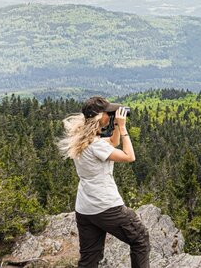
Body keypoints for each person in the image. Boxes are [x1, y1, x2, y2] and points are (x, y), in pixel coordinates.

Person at [56, 96, 150, 268]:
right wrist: (122, 128)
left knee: (89, 258)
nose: (111, 115)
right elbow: (130, 156)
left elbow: (113, 142)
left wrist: (114, 125)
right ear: (99, 117)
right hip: (106, 206)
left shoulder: (82, 139)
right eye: (108, 113)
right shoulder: (96, 145)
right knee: (140, 239)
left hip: (85, 209)